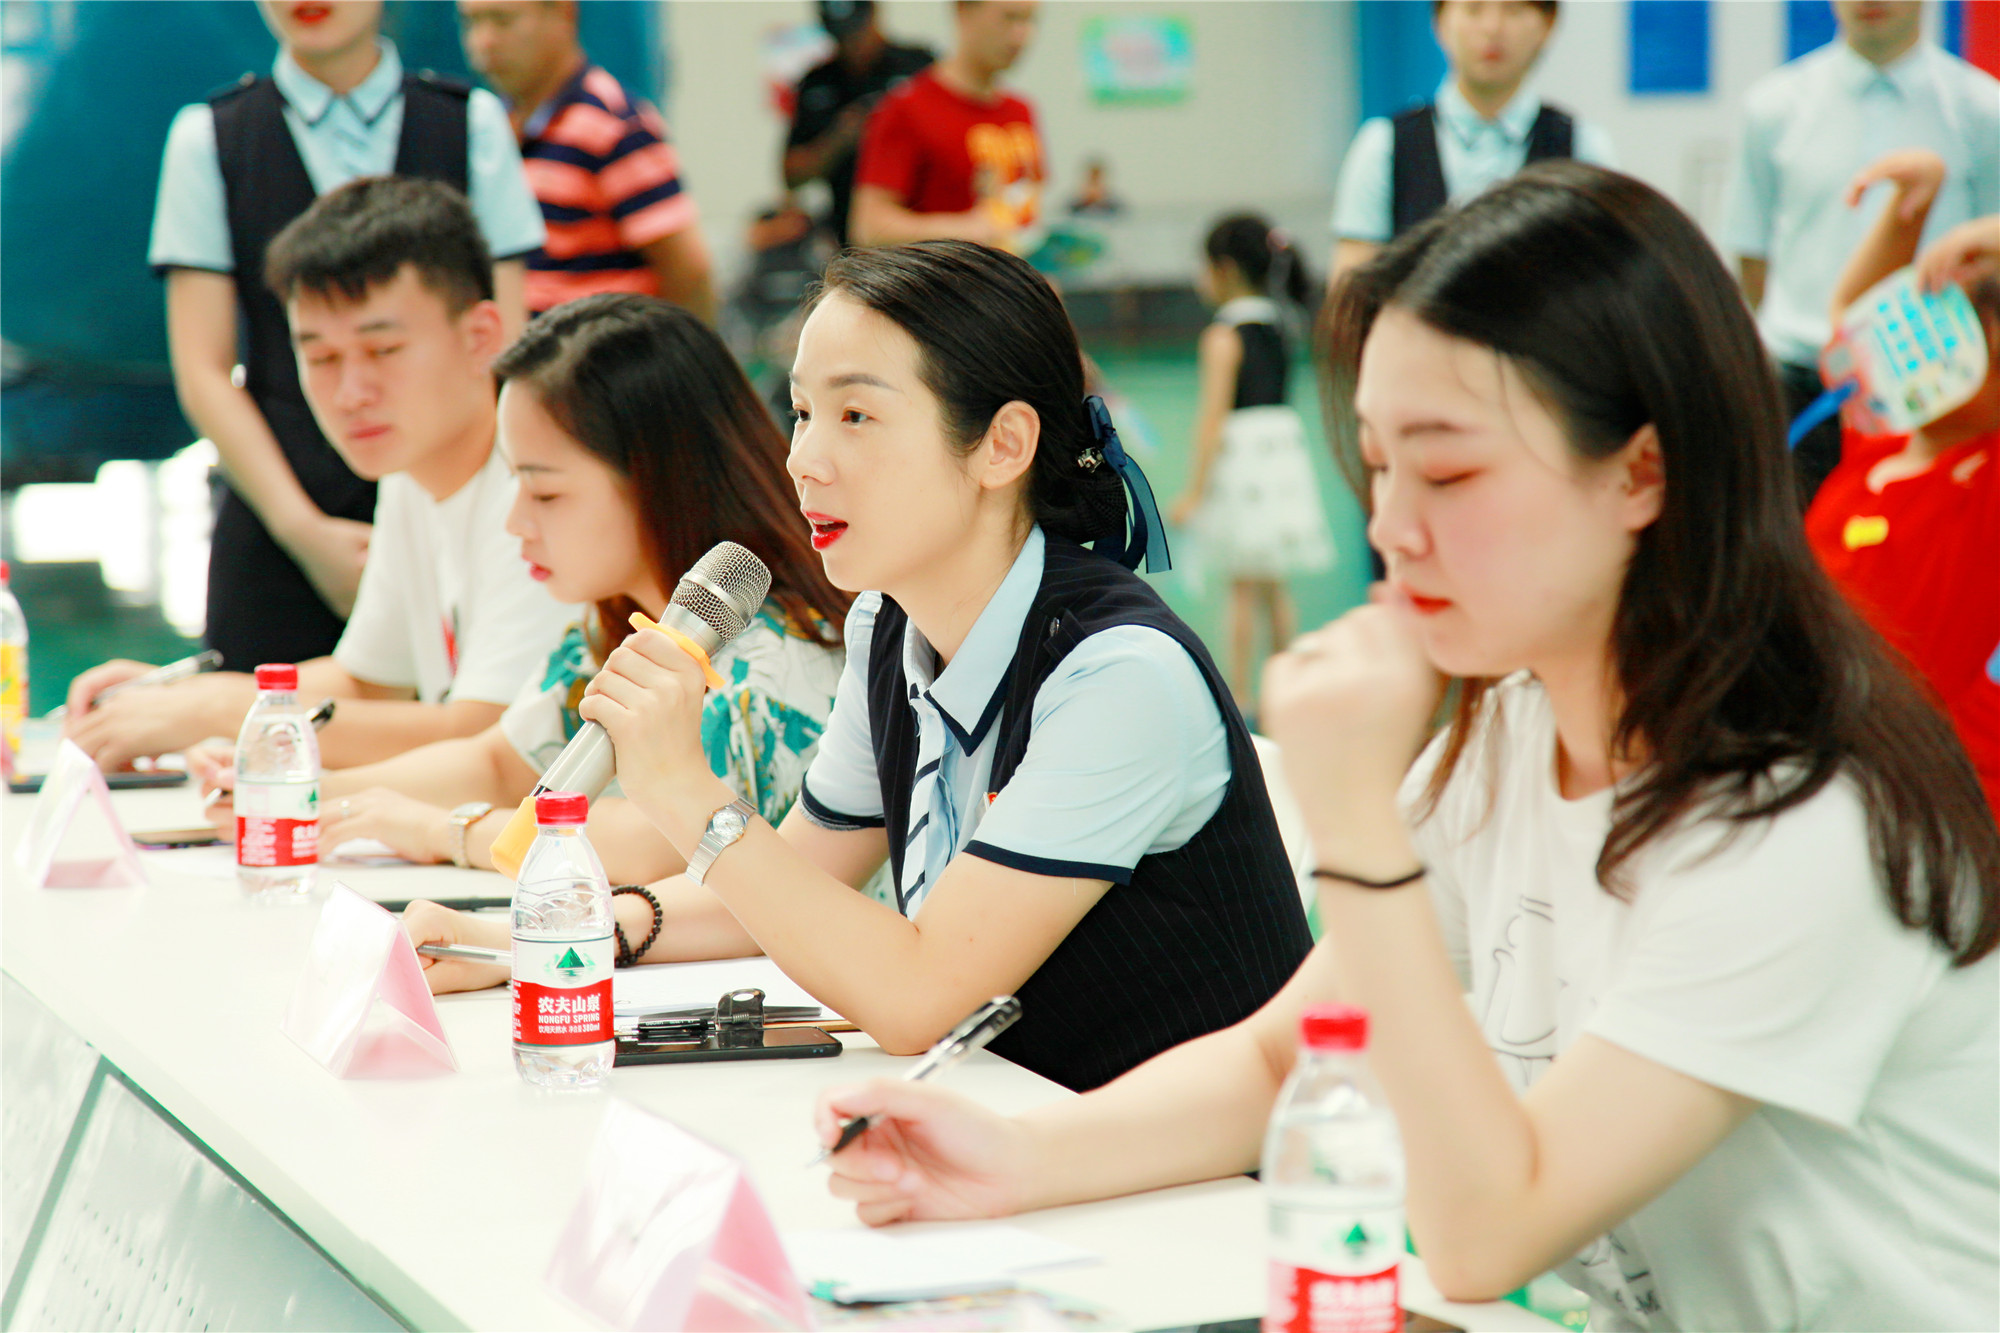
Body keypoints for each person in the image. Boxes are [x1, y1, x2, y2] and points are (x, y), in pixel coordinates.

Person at [811, 165, 2000, 1332]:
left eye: (1446, 470)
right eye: (1378, 466)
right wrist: (1014, 1156)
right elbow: (1284, 1059)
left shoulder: (1800, 817)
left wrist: (1358, 825)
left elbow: (1487, 1236)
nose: (1390, 527)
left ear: (1640, 470)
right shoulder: (1510, 736)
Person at [407, 241, 1315, 1093]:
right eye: (802, 412)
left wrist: (682, 788)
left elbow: (922, 998)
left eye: (856, 415)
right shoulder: (890, 624)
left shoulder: (1120, 677)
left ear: (1002, 444)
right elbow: (786, 883)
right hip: (999, 1123)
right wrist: (522, 941)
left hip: (1178, 1181)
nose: (803, 459)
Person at [199, 294, 850, 888]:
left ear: (659, 482)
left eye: (545, 492)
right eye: (514, 484)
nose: (516, 523)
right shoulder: (611, 628)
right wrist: (306, 794)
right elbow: (498, 762)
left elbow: (656, 841)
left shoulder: (772, 660)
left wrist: (443, 831)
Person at [68, 178, 575, 773]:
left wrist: (220, 711)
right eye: (321, 358)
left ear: (481, 337)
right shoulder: (410, 472)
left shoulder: (542, 485)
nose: (351, 393)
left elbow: (489, 739)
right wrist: (179, 697)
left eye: (383, 351)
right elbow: (368, 682)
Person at [149, 0, 543, 673]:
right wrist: (302, 531)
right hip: (280, 520)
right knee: (267, 717)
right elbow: (204, 370)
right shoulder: (211, 136)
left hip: (450, 492)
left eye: (382, 347)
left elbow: (505, 346)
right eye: (323, 352)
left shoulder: (467, 121)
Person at [1724, 0, 2000, 505]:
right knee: (1797, 543)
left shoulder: (1984, 110)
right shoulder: (1773, 106)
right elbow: (1753, 259)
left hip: (1931, 395)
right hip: (1800, 388)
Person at [1805, 149, 1999, 819]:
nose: (1926, 351)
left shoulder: (1985, 485)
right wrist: (1909, 215)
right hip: (1824, 760)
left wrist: (1984, 235)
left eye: (1968, 341)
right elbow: (1852, 320)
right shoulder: (1877, 438)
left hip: (1933, 794)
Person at [457, 0, 716, 322]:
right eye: (471, 22)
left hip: (600, 351)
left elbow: (689, 274)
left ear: (563, 14)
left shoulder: (613, 125)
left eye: (503, 20)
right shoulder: (496, 124)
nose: (484, 41)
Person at [1167, 215, 1335, 710]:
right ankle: (1289, 693)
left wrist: (1194, 492)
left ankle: (1238, 695)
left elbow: (1212, 419)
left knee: (1241, 587)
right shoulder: (1282, 325)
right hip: (1281, 460)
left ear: (1224, 269)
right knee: (1274, 586)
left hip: (1244, 465)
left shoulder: (1223, 335)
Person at [1328, 0, 1615, 284]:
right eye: (1473, 8)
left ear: (1548, 24)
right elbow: (1350, 293)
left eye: (1513, 9)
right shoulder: (1384, 147)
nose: (1492, 28)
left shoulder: (1583, 149)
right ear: (1439, 22)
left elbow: (1607, 286)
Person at [848, 1, 1042, 250]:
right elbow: (868, 227)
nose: (1021, 35)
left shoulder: (1021, 112)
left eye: (1029, 20)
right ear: (963, 11)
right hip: (945, 273)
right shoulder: (907, 109)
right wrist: (965, 230)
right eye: (1009, 17)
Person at [784, 0, 934, 250]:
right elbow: (792, 174)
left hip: (921, 227)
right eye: (841, 36)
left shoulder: (918, 67)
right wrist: (839, 138)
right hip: (850, 237)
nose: (851, 44)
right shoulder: (818, 82)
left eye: (857, 32)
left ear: (874, 14)